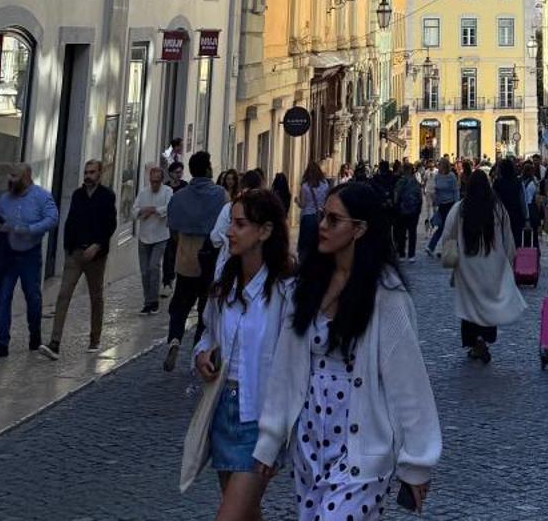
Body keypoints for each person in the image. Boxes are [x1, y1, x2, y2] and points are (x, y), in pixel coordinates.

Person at [253, 180, 441, 514]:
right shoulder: (306, 287)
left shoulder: (386, 296)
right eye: (323, 216)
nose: (322, 226)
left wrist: (417, 462)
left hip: (361, 451)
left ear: (360, 229)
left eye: (334, 219)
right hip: (309, 445)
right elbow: (285, 367)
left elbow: (408, 382)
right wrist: (271, 438)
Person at [188, 188, 292, 518]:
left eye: (240, 224)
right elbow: (208, 333)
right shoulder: (225, 280)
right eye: (231, 222)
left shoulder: (286, 289)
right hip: (223, 411)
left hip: (260, 418)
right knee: (246, 513)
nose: (230, 231)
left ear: (265, 230)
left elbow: (293, 363)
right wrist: (202, 355)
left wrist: (279, 430)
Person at [437, 166, 524, 364]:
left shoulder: (460, 208)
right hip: (492, 264)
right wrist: (508, 261)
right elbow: (508, 238)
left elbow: (448, 235)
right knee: (487, 303)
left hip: (467, 266)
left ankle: (474, 341)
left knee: (470, 306)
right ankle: (483, 338)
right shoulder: (497, 209)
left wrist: (449, 253)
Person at [44, 157, 118, 357]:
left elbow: (110, 224)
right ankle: (54, 342)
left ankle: (95, 339)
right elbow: (71, 220)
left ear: (100, 174)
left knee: (96, 296)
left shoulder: (107, 196)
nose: (88, 176)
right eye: (86, 172)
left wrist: (98, 245)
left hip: (96, 255)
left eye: (92, 172)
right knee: (63, 294)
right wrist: (68, 247)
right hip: (75, 253)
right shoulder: (78, 195)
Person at [0, 162, 58, 358]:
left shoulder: (41, 196)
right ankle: (2, 343)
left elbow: (52, 218)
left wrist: (29, 229)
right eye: (10, 175)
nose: (10, 179)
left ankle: (35, 336)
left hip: (29, 254)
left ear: (26, 177)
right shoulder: (5, 198)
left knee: (32, 296)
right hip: (7, 254)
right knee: (3, 297)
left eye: (14, 176)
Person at [164, 151, 227, 371]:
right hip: (210, 260)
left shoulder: (179, 196)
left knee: (179, 305)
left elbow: (172, 228)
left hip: (185, 258)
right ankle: (197, 351)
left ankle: (174, 339)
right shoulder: (220, 194)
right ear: (208, 168)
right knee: (204, 310)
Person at [133, 162, 172, 314]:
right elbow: (134, 211)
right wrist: (143, 210)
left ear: (161, 180)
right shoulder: (143, 193)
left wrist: (153, 210)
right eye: (152, 181)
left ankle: (153, 301)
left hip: (161, 236)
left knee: (154, 266)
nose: (154, 184)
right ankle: (147, 300)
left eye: (157, 181)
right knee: (144, 271)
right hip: (144, 236)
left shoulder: (167, 191)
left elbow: (169, 207)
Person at [297, 162, 330, 262]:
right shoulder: (325, 184)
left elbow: (303, 205)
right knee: (319, 241)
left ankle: (304, 264)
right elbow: (327, 201)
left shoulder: (305, 186)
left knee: (305, 244)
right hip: (321, 217)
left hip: (308, 218)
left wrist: (297, 201)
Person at [492, 157, 528, 248]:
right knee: (516, 241)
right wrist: (526, 217)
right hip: (516, 215)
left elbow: (493, 200)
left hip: (501, 215)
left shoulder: (497, 183)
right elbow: (523, 201)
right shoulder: (518, 182)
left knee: (502, 242)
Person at [426, 157, 458, 255]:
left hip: (451, 204)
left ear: (444, 165)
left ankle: (435, 247)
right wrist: (435, 200)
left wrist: (456, 204)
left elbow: (455, 190)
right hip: (441, 205)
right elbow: (437, 190)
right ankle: (435, 247)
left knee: (448, 227)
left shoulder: (451, 176)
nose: (438, 166)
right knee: (442, 226)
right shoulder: (437, 176)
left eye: (440, 164)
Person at [163, 159, 185, 287]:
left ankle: (178, 279)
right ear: (171, 173)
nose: (179, 175)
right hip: (168, 225)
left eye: (181, 172)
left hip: (181, 226)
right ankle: (167, 280)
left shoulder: (185, 186)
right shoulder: (166, 187)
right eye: (177, 172)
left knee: (179, 253)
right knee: (168, 254)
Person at [393, 164, 422, 260]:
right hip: (414, 210)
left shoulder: (400, 181)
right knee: (412, 232)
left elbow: (396, 195)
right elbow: (419, 195)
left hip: (402, 210)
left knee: (402, 232)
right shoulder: (415, 181)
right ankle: (411, 255)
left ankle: (401, 253)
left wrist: (396, 206)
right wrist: (419, 208)